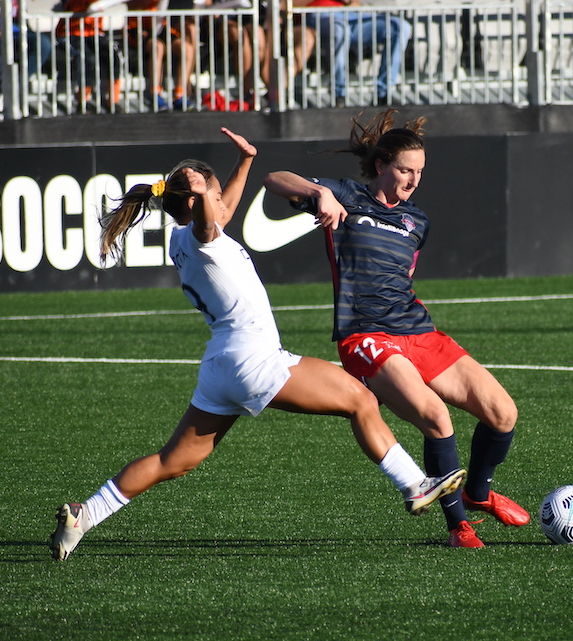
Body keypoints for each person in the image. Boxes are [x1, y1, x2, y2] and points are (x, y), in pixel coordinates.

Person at [50, 126, 465, 561]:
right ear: (197, 203)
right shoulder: (202, 237)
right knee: (361, 399)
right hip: (253, 358)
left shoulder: (180, 238)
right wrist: (199, 186)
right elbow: (213, 216)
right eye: (209, 193)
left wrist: (244, 160)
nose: (219, 202)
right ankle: (415, 484)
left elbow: (221, 209)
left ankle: (86, 513)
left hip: (220, 367)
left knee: (173, 461)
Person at [263, 110, 530, 549]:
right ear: (382, 164)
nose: (413, 180)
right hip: (366, 335)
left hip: (417, 330)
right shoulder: (343, 195)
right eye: (406, 170)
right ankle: (457, 526)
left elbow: (401, 277)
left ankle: (477, 494)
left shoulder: (417, 222)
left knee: (503, 413)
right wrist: (318, 194)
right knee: (435, 417)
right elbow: (275, 178)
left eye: (420, 172)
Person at [294, 0, 411, 107]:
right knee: (340, 30)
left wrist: (350, 2)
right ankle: (339, 94)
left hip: (350, 13)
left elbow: (354, 3)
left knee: (400, 27)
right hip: (320, 12)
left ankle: (383, 94)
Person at [56, 0, 126, 112]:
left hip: (94, 32)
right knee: (87, 58)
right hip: (71, 33)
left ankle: (113, 101)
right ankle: (83, 102)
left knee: (113, 55)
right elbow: (90, 7)